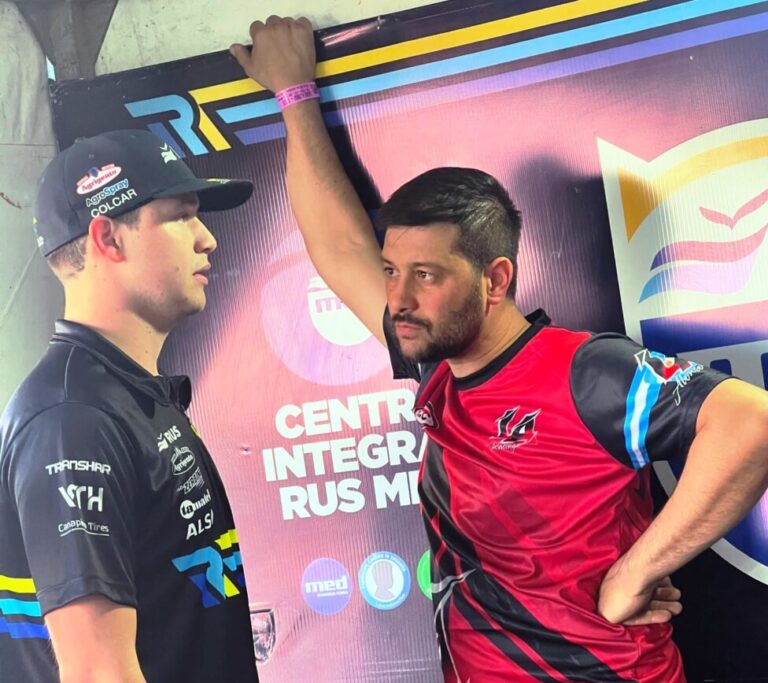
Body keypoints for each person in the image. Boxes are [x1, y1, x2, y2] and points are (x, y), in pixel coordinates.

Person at [230, 17, 768, 683]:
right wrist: (293, 96)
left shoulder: (582, 370)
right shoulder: (436, 368)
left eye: (426, 275)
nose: (398, 297)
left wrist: (637, 571)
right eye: (392, 271)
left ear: (495, 280)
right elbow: (341, 247)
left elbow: (749, 422)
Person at [0, 130, 260, 682]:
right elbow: (98, 673)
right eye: (181, 216)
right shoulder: (73, 419)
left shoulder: (120, 395)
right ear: (109, 238)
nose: (207, 239)